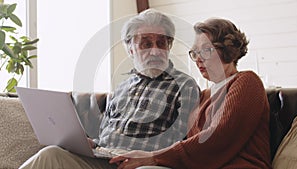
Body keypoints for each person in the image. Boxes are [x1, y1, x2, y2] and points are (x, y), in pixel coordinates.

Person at [19, 9, 200, 169]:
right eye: (146, 43)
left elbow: (187, 143)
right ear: (130, 49)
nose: (155, 51)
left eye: (161, 43)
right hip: (105, 160)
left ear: (169, 46)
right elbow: (107, 134)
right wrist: (91, 143)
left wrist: (150, 158)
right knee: (51, 154)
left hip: (142, 163)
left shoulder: (185, 85)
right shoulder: (122, 87)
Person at [110, 18, 272, 169]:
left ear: (227, 50)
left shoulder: (247, 82)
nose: (198, 59)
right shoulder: (203, 97)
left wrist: (153, 157)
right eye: (195, 52)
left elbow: (218, 138)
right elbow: (189, 144)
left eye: (206, 50)